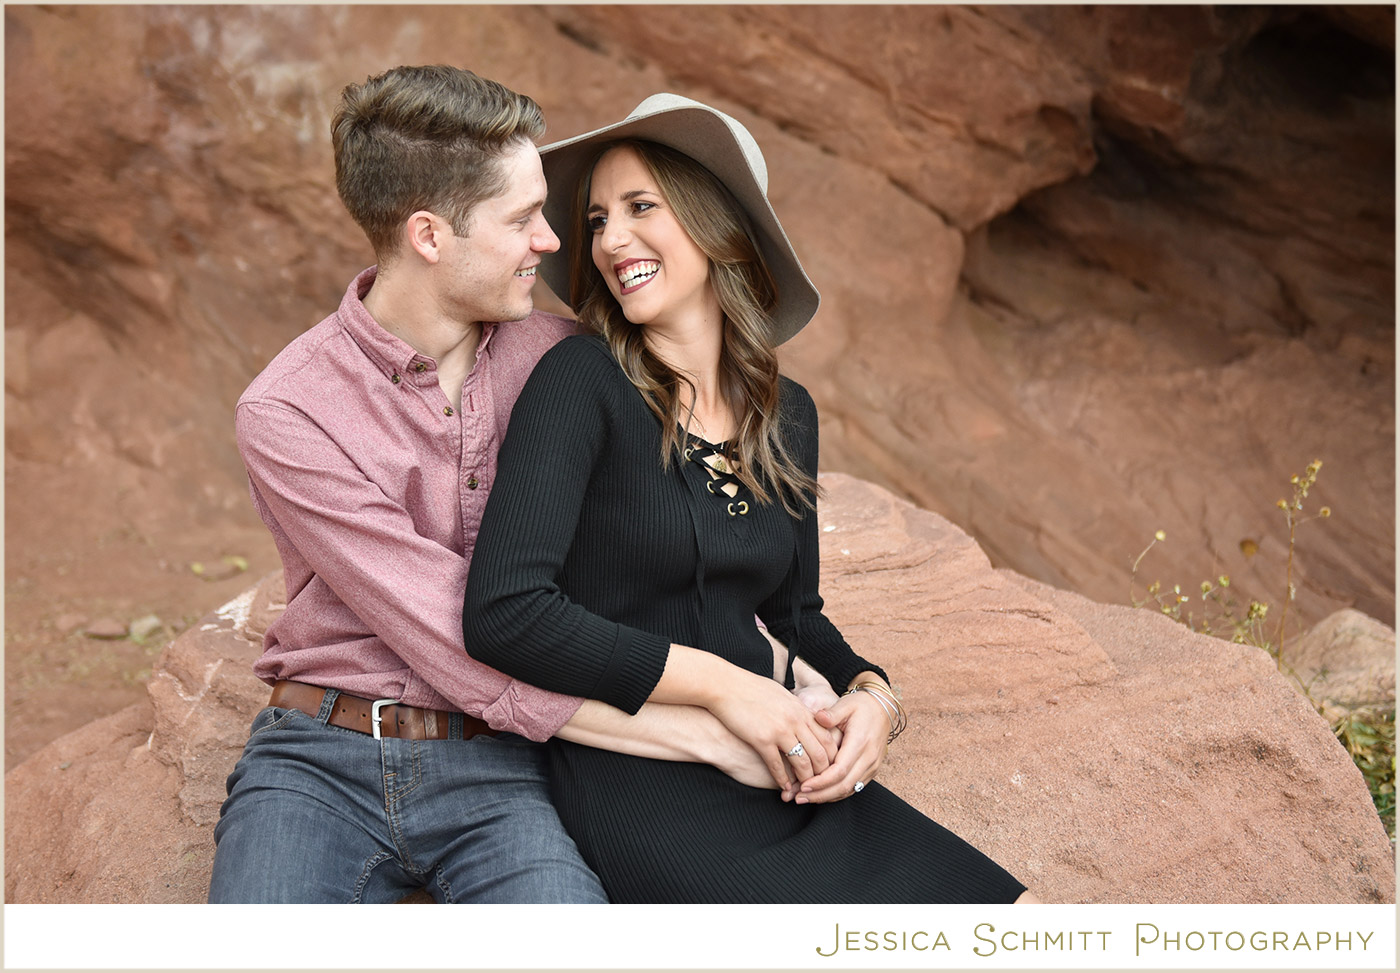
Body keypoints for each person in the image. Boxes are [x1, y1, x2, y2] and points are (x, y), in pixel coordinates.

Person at [209, 67, 809, 904]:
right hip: (318, 757)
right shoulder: (289, 410)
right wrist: (702, 729)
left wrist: (805, 670)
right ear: (429, 235)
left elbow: (670, 540)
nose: (554, 241)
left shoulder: (568, 362)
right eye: (523, 218)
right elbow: (461, 630)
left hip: (504, 768)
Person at [462, 94, 1037, 904]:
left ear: (716, 223)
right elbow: (506, 611)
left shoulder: (786, 412)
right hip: (645, 778)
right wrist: (723, 685)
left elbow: (795, 612)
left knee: (1026, 923)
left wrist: (872, 694)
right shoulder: (581, 381)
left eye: (640, 207)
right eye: (596, 220)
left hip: (781, 765)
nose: (610, 240)